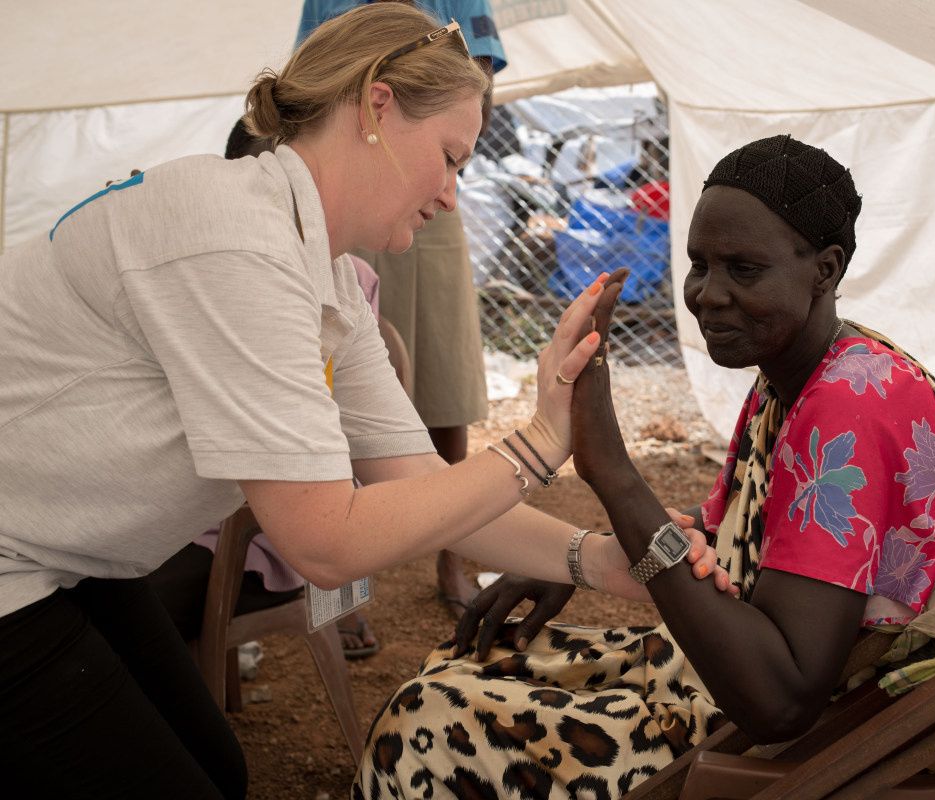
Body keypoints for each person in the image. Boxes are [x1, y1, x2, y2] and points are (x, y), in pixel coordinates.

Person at [0, 6, 729, 798]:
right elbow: (323, 543)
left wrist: (600, 560)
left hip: (68, 558)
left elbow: (415, 482)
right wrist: (540, 439)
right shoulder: (234, 239)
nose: (452, 196)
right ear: (377, 107)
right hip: (14, 563)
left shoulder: (325, 276)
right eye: (450, 158)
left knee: (218, 767)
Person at [353, 135, 935, 799]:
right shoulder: (808, 374)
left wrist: (611, 472)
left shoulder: (849, 405)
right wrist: (576, 558)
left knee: (422, 723)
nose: (706, 294)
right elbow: (729, 536)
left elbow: (780, 702)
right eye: (700, 264)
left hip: (841, 745)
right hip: (769, 693)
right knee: (470, 665)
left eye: (743, 269)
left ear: (825, 270)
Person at [145, 119, 385, 659]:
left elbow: (356, 437)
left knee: (115, 613)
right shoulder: (208, 261)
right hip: (184, 504)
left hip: (260, 526)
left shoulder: (350, 279)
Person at [298, 0, 507, 620]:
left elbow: (476, 87)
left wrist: (446, 162)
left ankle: (452, 550)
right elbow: (311, 82)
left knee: (443, 366)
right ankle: (345, 580)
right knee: (335, 380)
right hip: (366, 178)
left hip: (413, 164)